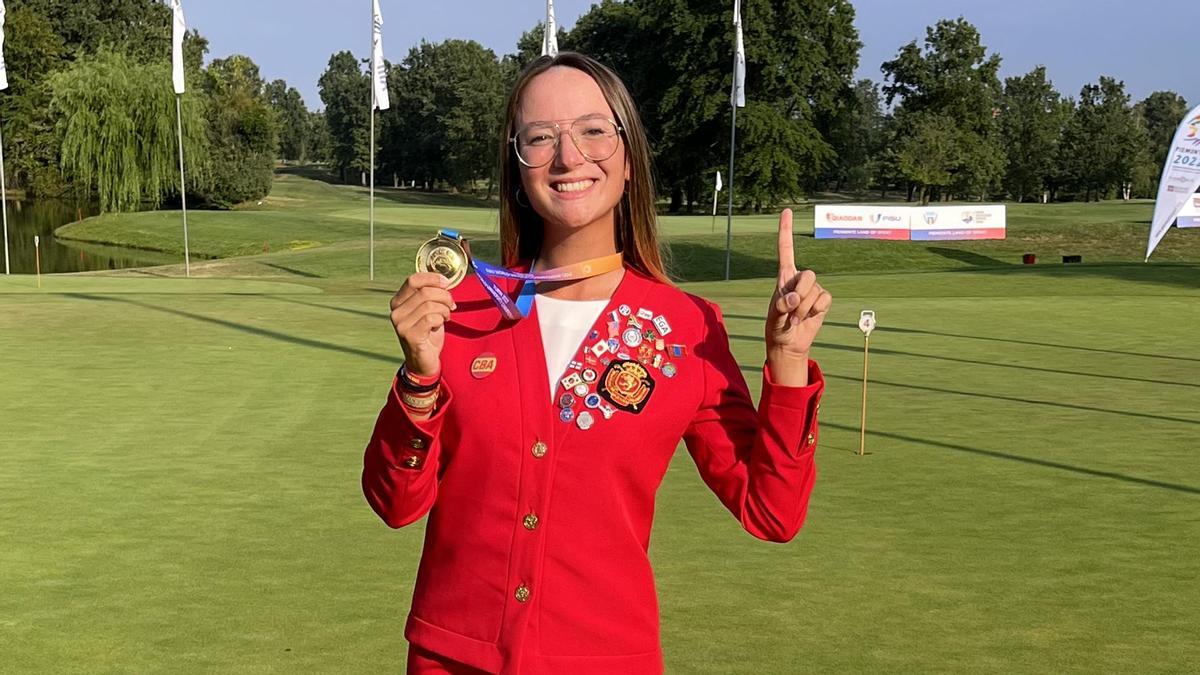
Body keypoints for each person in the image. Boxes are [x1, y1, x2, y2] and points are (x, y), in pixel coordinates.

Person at [362, 52, 831, 675]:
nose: (567, 156)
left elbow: (773, 511)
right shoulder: (460, 310)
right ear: (517, 165)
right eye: (540, 137)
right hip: (452, 659)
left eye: (592, 130)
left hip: (605, 658)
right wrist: (418, 378)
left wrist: (789, 361)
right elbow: (395, 503)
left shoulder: (688, 329)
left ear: (629, 156)